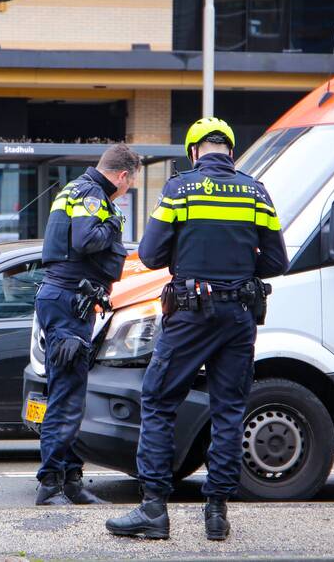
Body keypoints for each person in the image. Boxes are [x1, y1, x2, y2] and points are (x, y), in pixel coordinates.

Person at [105, 117, 288, 541]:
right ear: (230, 151)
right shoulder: (256, 192)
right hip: (239, 316)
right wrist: (239, 271)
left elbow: (151, 255)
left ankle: (154, 509)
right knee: (229, 410)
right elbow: (277, 261)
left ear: (193, 151)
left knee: (158, 401)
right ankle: (217, 514)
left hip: (190, 315)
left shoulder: (179, 189)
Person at [35, 144, 141, 506]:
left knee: (71, 393)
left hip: (67, 301)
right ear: (123, 175)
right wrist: (113, 222)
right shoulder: (92, 194)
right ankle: (51, 483)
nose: (126, 190)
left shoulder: (75, 189)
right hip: (68, 301)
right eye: (130, 183)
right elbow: (85, 240)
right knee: (66, 396)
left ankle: (71, 480)